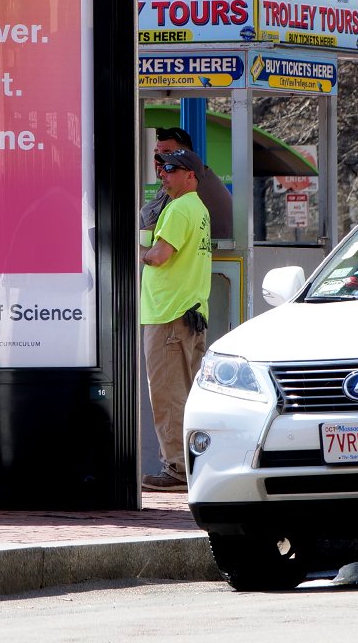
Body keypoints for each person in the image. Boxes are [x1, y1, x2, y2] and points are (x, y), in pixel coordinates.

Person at [140, 149, 212, 492]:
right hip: (188, 314)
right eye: (161, 169)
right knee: (187, 394)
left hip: (168, 314)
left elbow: (159, 256)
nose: (163, 174)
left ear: (190, 175)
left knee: (168, 394)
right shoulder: (198, 209)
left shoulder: (180, 208)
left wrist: (135, 250)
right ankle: (190, 465)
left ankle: (177, 469)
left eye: (171, 169)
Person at [141, 126, 233, 240]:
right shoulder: (175, 180)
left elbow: (165, 231)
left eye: (167, 154)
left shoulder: (191, 186)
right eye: (157, 154)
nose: (158, 160)